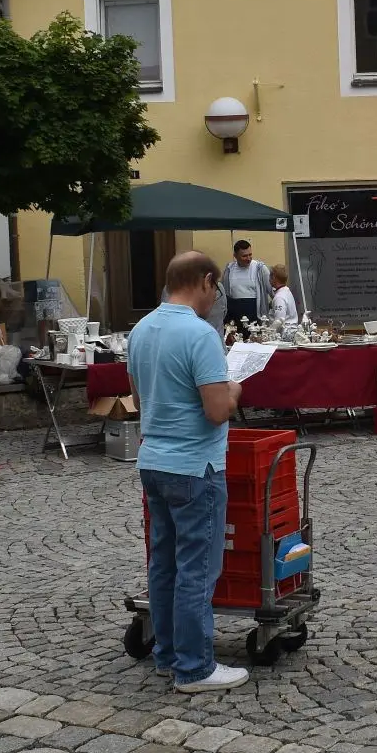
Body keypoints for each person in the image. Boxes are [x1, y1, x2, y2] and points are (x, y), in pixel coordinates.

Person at [129, 251, 248, 692]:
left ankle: (167, 655)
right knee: (197, 567)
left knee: (163, 564)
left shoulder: (141, 330)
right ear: (206, 281)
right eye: (216, 288)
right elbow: (217, 411)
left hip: (154, 461)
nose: (216, 296)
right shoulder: (201, 335)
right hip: (196, 466)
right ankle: (195, 667)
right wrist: (235, 389)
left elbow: (139, 401)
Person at [221, 240, 273, 325]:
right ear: (235, 256)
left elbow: (273, 291)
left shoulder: (260, 269)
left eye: (250, 254)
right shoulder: (229, 269)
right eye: (244, 256)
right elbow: (223, 294)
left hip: (255, 316)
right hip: (234, 318)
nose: (248, 258)